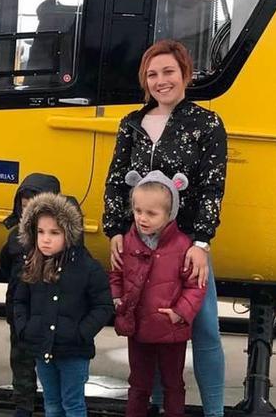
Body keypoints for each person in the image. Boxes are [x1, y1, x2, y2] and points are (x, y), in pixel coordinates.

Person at [103, 39, 227, 417]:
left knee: (203, 328)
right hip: (140, 245)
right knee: (148, 327)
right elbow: (115, 181)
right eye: (152, 74)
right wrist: (116, 230)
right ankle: (157, 407)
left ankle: (214, 411)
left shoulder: (206, 123)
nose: (161, 81)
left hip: (184, 245)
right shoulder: (132, 124)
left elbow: (212, 185)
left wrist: (201, 242)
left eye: (169, 71)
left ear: (185, 74)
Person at [110, 170, 206, 417]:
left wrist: (179, 313)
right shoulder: (128, 242)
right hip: (137, 327)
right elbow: (116, 274)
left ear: (170, 214)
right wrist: (117, 299)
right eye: (138, 211)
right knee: (138, 384)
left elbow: (195, 287)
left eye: (151, 213)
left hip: (171, 330)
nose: (142, 218)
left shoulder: (183, 245)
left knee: (173, 384)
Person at [13, 193, 113, 417]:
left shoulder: (88, 268)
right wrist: (25, 328)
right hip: (42, 349)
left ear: (69, 234)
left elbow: (103, 306)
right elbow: (19, 300)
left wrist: (81, 333)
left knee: (72, 404)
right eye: (40, 232)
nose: (45, 239)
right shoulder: (32, 264)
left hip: (73, 352)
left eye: (54, 233)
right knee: (51, 402)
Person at [0, 173, 63, 417]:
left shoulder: (60, 238)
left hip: (49, 312)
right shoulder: (15, 236)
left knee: (49, 363)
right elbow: (6, 265)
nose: (28, 213)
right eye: (24, 208)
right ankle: (23, 405)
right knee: (21, 360)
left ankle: (52, 405)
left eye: (34, 208)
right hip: (20, 310)